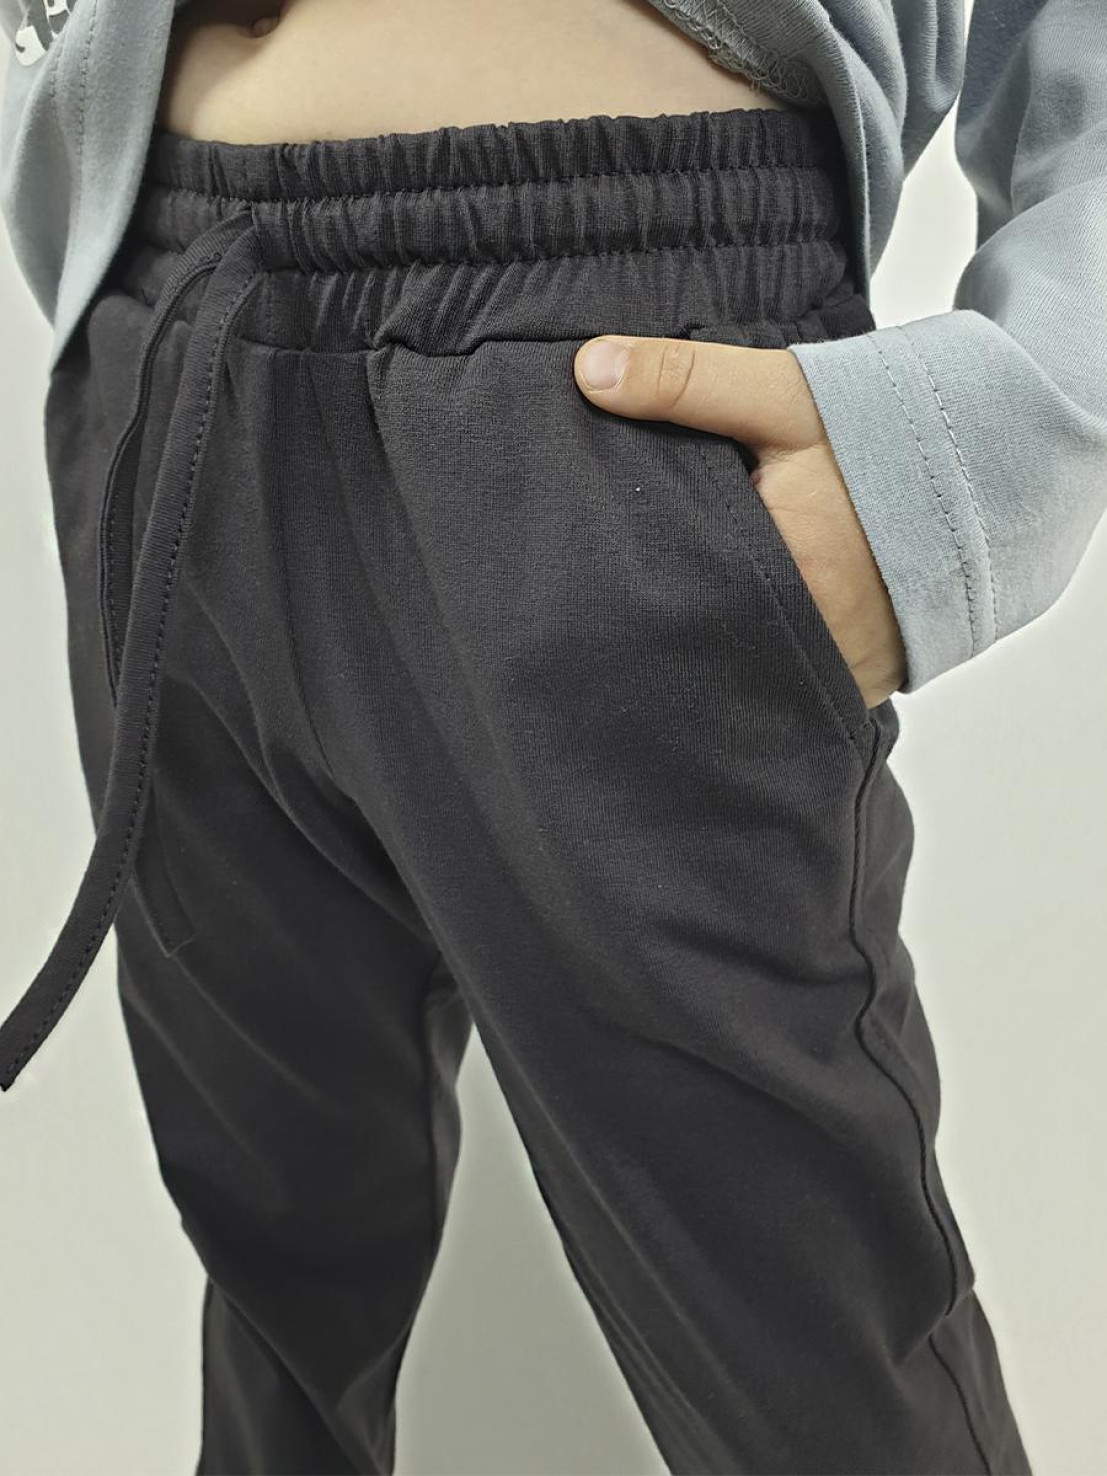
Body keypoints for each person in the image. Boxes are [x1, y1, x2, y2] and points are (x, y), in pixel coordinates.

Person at [2, 0, 1103, 1469]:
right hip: (169, 330)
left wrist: (997, 439)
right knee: (273, 1324)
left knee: (821, 1375)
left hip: (616, 372)